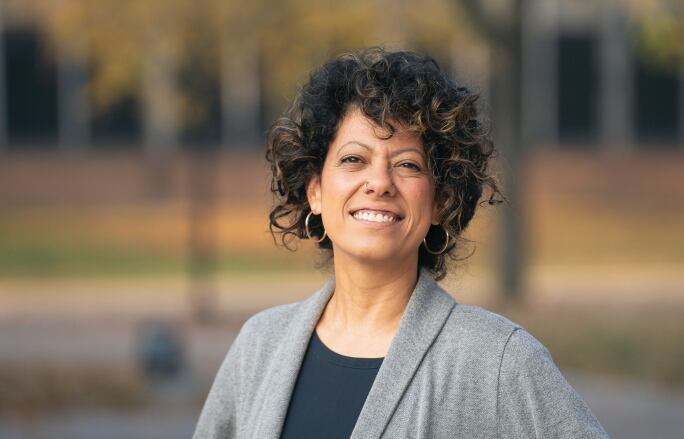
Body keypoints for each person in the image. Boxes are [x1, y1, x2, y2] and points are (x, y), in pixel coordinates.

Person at [193, 48, 608, 439]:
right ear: (315, 191)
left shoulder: (498, 361)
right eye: (354, 159)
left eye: (407, 165)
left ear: (441, 202)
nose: (379, 183)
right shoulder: (260, 345)